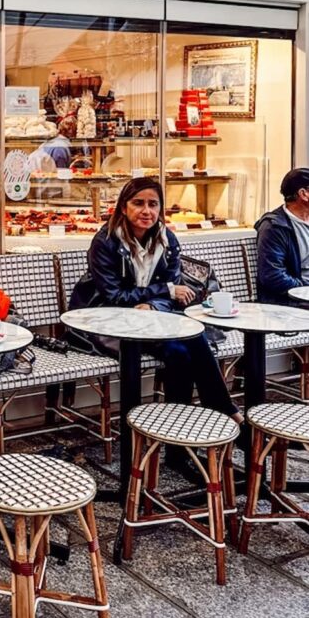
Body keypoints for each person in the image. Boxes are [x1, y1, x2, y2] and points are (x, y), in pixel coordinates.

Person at [68, 177, 240, 464]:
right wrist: (163, 291)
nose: (146, 211)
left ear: (160, 209)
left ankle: (177, 443)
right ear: (123, 207)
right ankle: (223, 408)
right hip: (105, 324)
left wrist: (151, 302)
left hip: (152, 319)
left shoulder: (167, 239)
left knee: (180, 350)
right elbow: (113, 297)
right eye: (138, 203)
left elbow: (176, 295)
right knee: (190, 338)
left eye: (153, 204)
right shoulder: (105, 242)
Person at [255, 168, 309, 306]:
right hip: (291, 300)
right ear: (304, 194)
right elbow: (273, 276)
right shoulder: (274, 227)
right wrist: (304, 288)